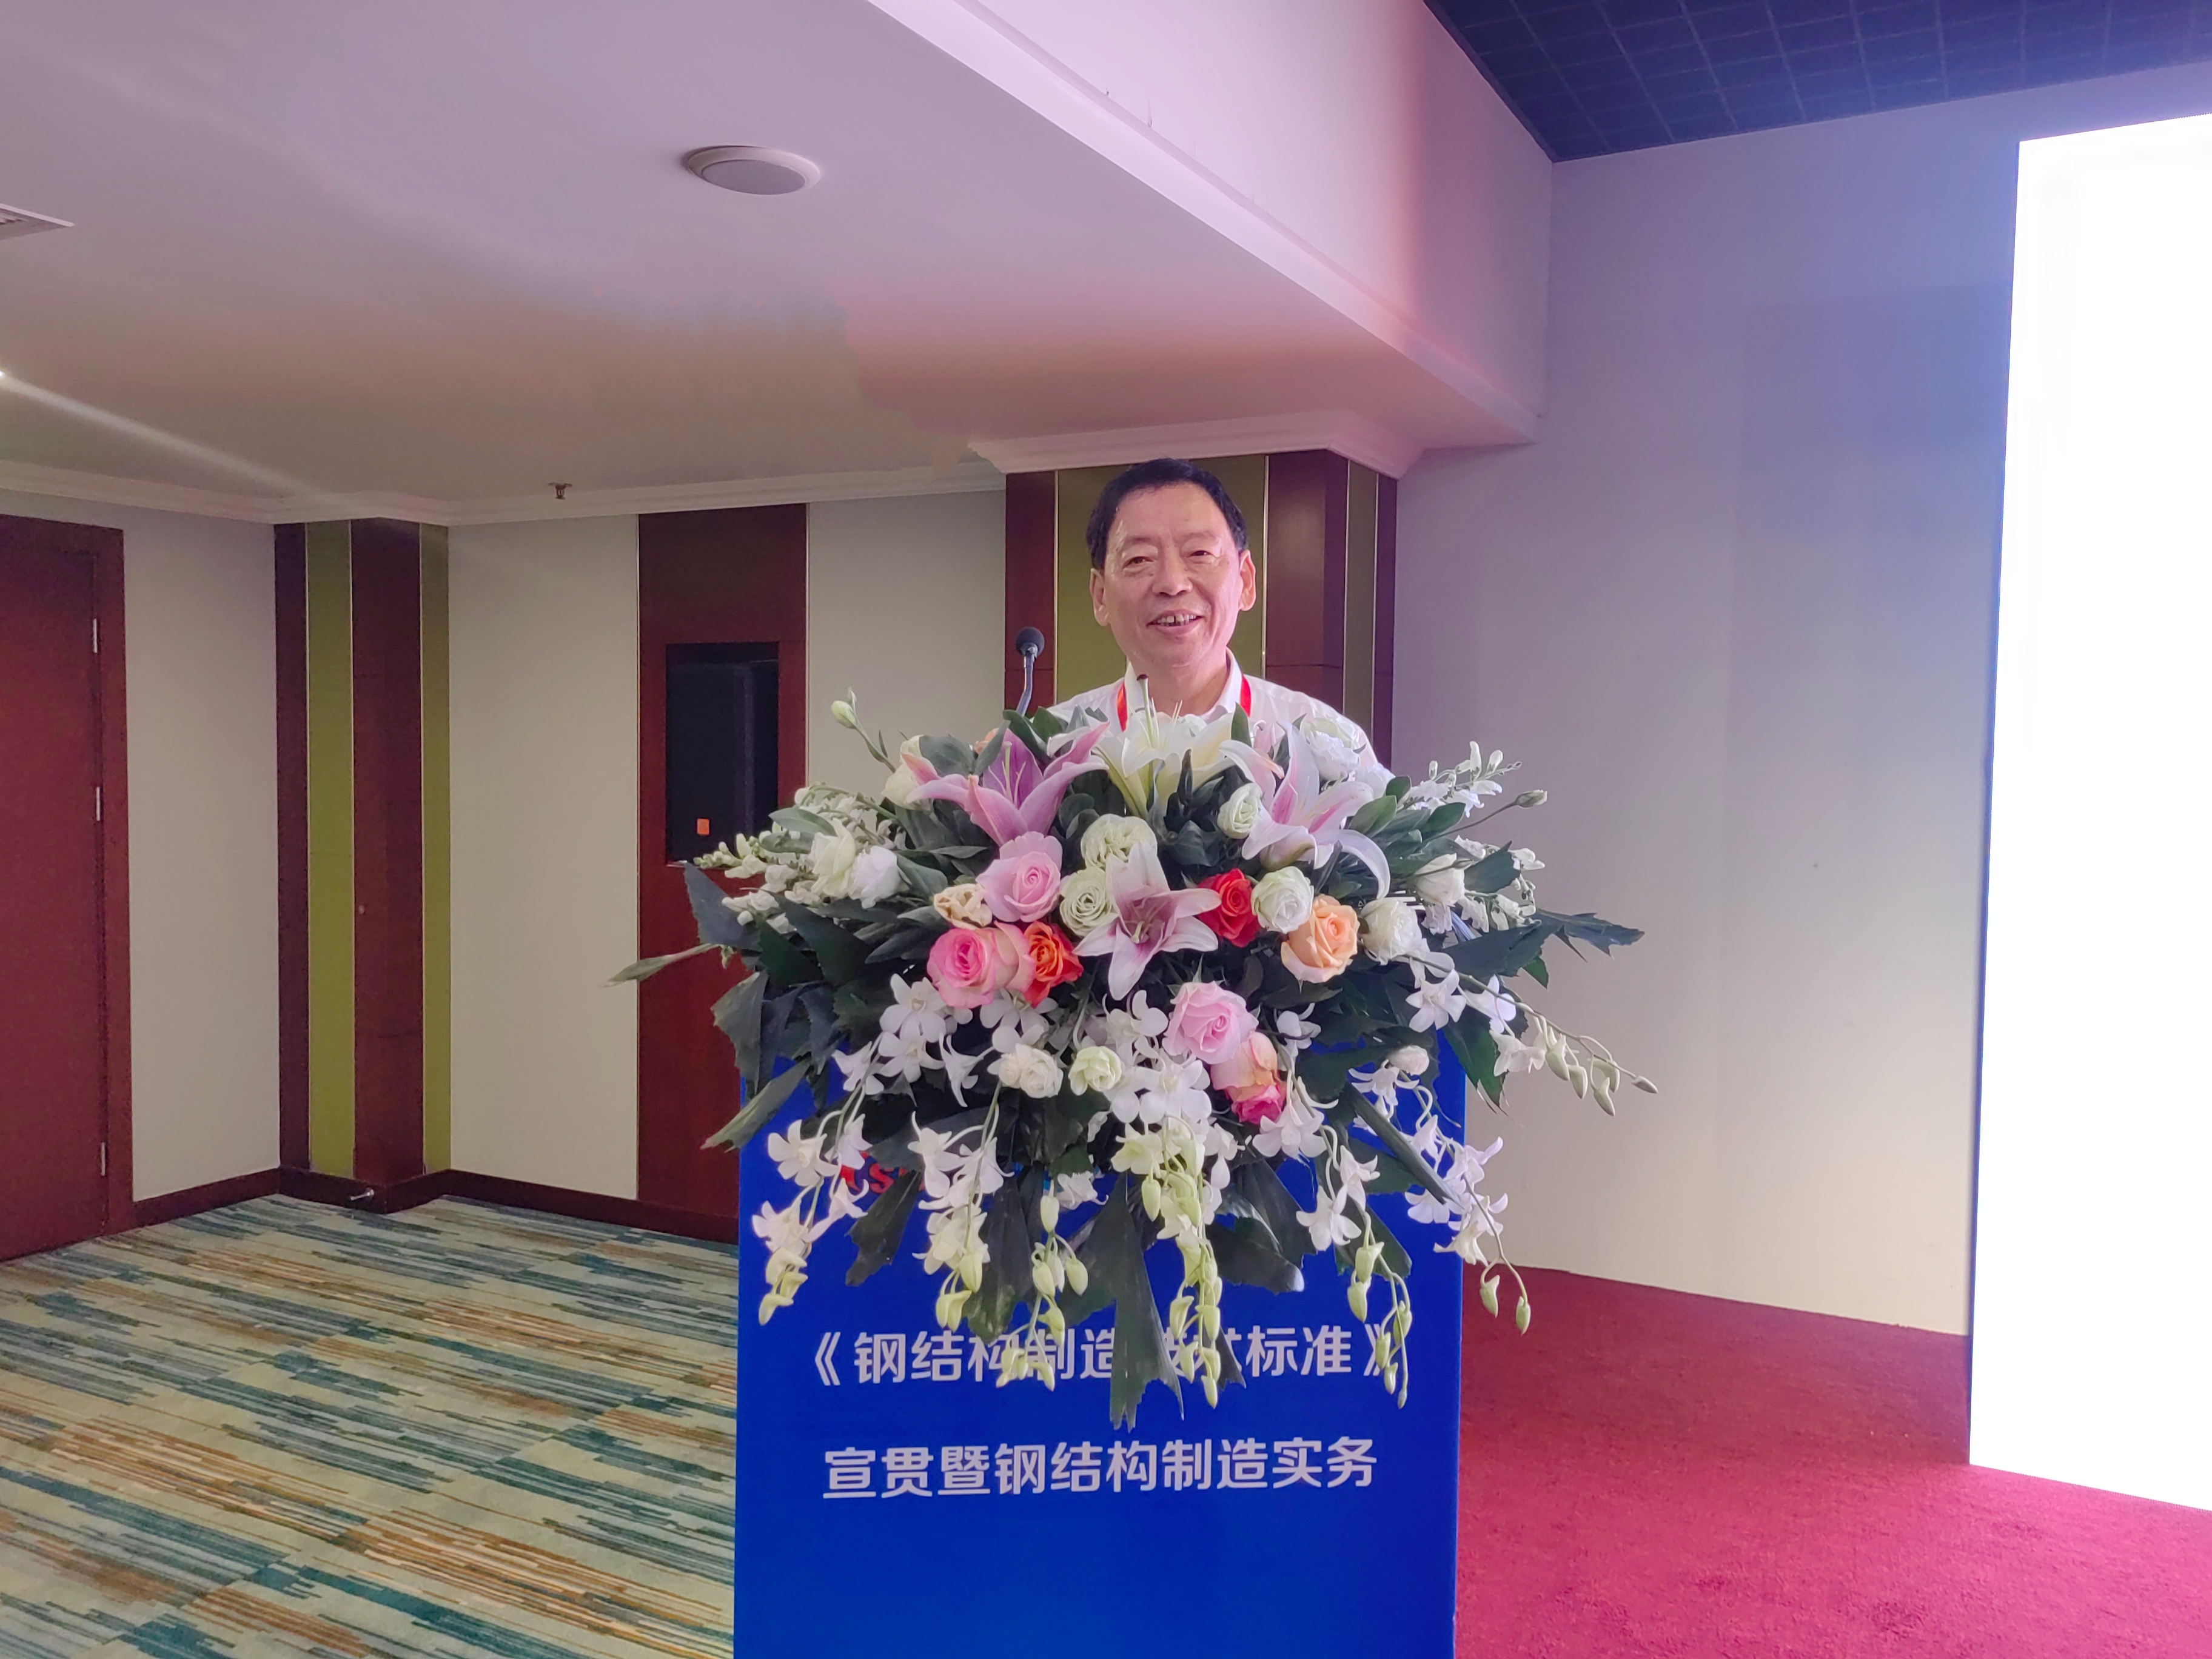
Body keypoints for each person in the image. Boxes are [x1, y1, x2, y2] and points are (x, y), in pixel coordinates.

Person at [1049, 457, 1387, 782]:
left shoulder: (1330, 749)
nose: (1172, 583)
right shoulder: (1052, 750)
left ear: (1246, 581)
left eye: (1200, 554)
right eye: (1139, 559)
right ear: (1100, 596)